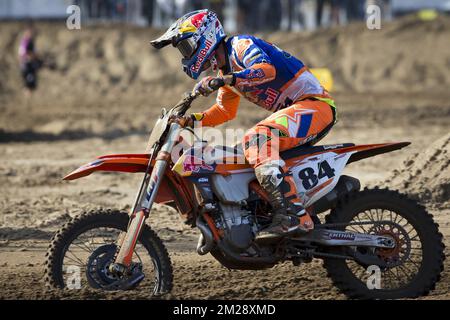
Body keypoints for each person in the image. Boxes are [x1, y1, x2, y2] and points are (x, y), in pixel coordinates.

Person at [151, 10, 336, 237]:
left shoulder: (240, 46)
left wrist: (226, 80)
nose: (185, 55)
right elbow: (224, 111)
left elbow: (267, 69)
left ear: (205, 37)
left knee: (256, 138)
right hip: (297, 111)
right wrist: (191, 119)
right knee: (235, 155)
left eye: (186, 47)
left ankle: (294, 215)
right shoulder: (225, 71)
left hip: (315, 105)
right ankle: (259, 215)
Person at [18, 23, 42, 96]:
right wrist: (31, 56)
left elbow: (35, 53)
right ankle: (27, 103)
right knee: (28, 85)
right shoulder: (25, 42)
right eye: (29, 32)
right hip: (27, 65)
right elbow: (22, 54)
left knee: (32, 85)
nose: (30, 34)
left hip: (31, 65)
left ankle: (30, 102)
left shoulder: (31, 42)